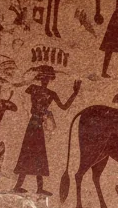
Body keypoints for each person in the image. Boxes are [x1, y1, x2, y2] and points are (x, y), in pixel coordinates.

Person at [13, 65, 81, 195]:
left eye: (47, 78)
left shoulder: (50, 93)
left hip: (38, 124)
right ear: (40, 78)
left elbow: (64, 107)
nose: (45, 80)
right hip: (33, 123)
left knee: (38, 154)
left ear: (50, 79)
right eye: (43, 77)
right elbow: (21, 90)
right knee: (28, 153)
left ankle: (38, 188)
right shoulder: (33, 88)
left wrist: (75, 93)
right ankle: (19, 186)